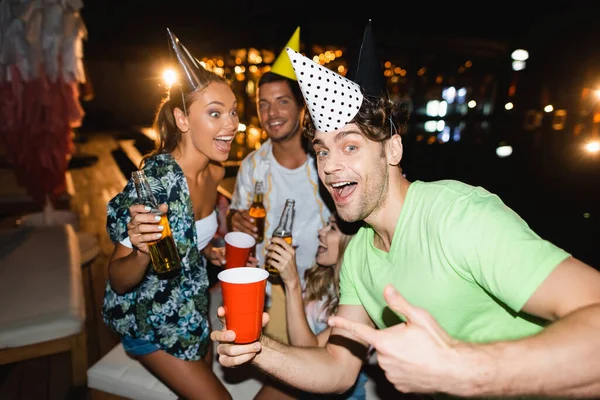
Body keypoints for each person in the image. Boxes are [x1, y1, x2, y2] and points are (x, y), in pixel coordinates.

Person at [211, 23, 600, 399]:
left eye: (349, 146)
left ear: (392, 151)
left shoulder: (457, 215)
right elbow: (338, 369)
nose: (329, 165)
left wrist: (463, 371)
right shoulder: (360, 252)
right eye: (323, 150)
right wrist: (255, 347)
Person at [102, 29, 238, 400]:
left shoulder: (216, 172)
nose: (231, 125)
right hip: (148, 321)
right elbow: (118, 279)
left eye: (233, 112)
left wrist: (206, 251)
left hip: (193, 311)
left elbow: (189, 238)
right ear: (182, 119)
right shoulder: (154, 186)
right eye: (215, 114)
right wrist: (143, 250)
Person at [227, 26, 331, 343]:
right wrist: (236, 220)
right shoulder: (252, 166)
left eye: (282, 101)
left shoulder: (326, 161)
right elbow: (234, 217)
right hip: (271, 293)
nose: (271, 113)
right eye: (263, 104)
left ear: (302, 107)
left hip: (325, 291)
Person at [254, 214, 368, 400]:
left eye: (332, 228)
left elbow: (309, 349)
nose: (320, 231)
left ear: (351, 243)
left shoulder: (361, 300)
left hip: (337, 392)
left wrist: (292, 284)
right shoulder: (321, 279)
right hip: (307, 381)